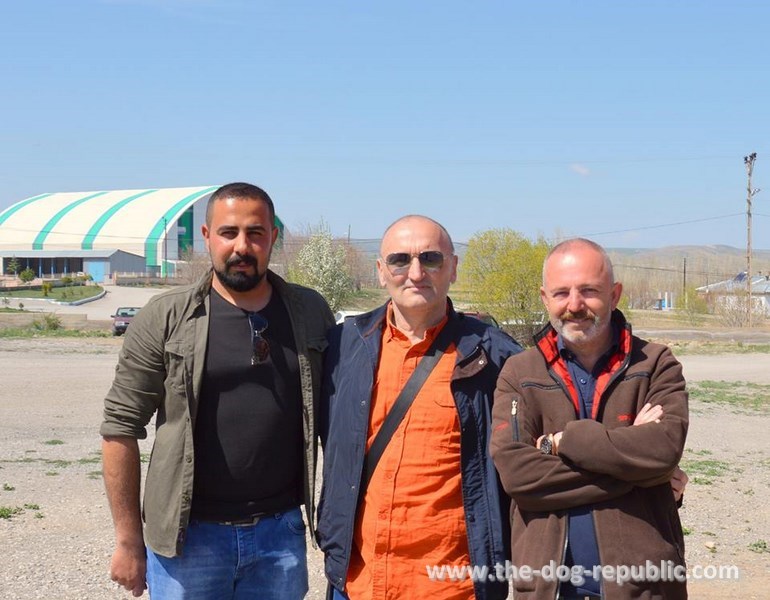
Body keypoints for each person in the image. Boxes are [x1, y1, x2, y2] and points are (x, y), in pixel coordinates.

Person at [100, 182, 334, 599]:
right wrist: (128, 540)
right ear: (207, 237)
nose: (242, 246)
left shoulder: (309, 312)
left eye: (255, 233)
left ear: (273, 238)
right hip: (189, 541)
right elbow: (119, 428)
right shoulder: (165, 317)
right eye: (228, 233)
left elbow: (338, 417)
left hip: (279, 536)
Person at [317, 215, 522, 600]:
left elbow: (559, 424)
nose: (415, 272)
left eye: (431, 259)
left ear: (453, 267)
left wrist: (656, 476)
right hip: (357, 583)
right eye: (399, 260)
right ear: (381, 271)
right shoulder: (343, 348)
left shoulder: (496, 356)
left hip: (452, 587)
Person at [490, 238, 689, 599]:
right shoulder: (519, 372)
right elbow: (517, 476)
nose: (575, 305)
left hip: (644, 587)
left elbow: (662, 454)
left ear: (614, 295)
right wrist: (638, 473)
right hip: (546, 588)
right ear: (544, 298)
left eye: (589, 291)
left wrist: (562, 443)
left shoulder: (656, 364)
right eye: (562, 292)